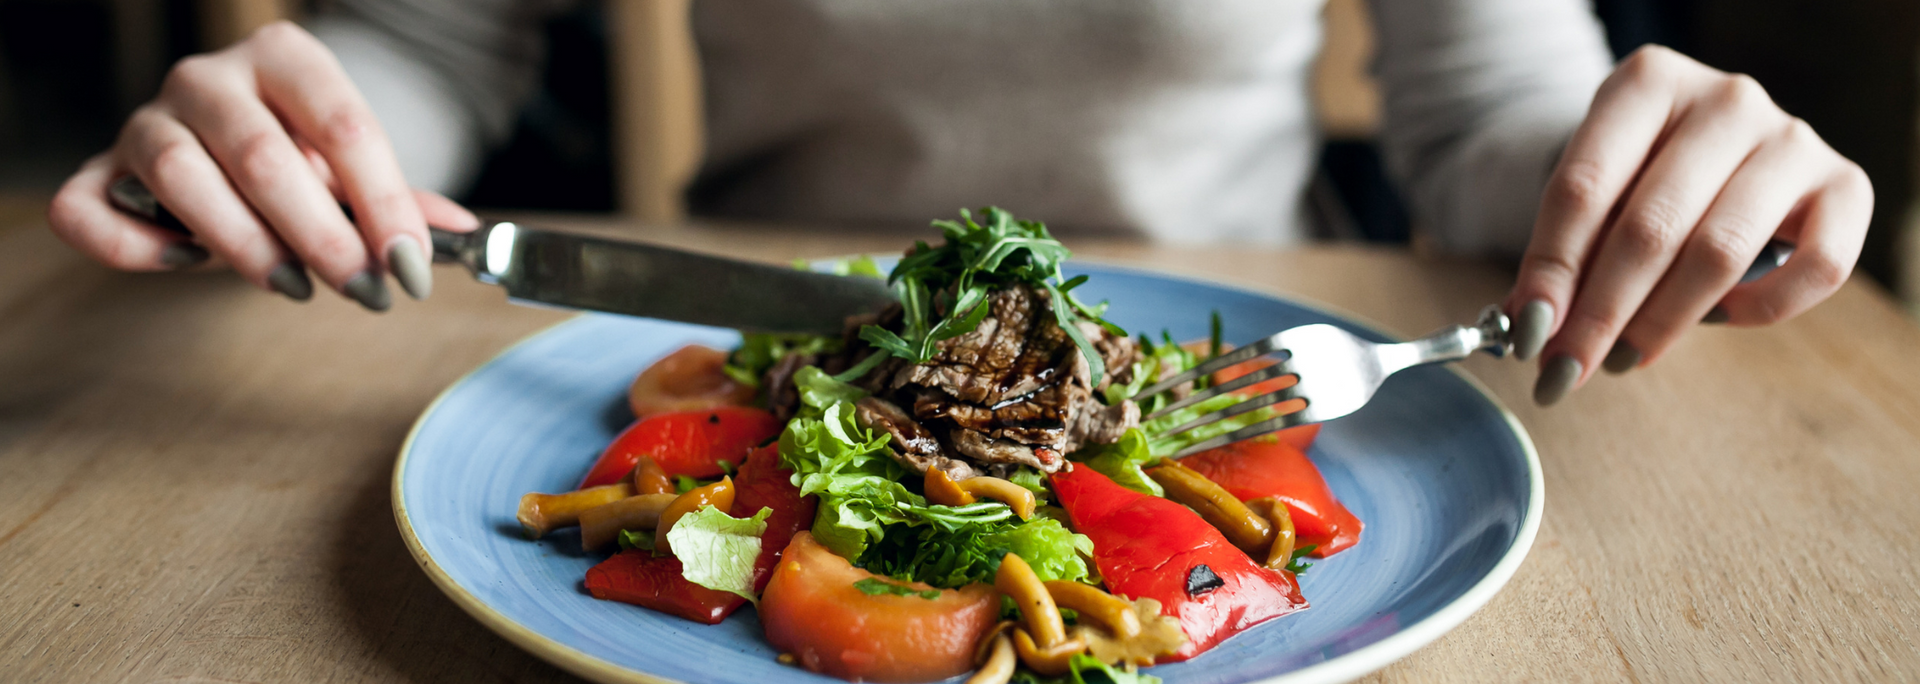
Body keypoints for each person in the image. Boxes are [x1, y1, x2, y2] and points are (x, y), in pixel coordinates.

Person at [44, 0, 1871, 407]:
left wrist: (1662, 168)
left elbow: (1493, 121)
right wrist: (293, 134)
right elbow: (434, 42)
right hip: (768, 345)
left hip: (1224, 358)